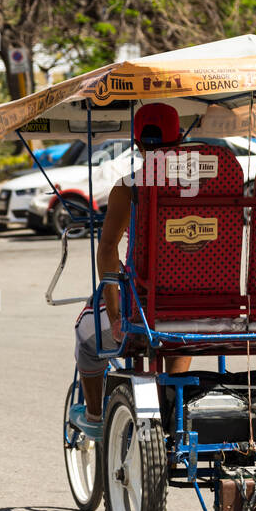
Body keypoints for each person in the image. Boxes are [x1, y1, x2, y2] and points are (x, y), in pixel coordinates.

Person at [68, 103, 192, 438]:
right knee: (182, 325)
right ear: (179, 138)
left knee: (85, 335)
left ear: (137, 144)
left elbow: (107, 250)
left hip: (143, 306)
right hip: (198, 301)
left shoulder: (129, 187)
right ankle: (173, 398)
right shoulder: (210, 184)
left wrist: (112, 312)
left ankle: (94, 415)